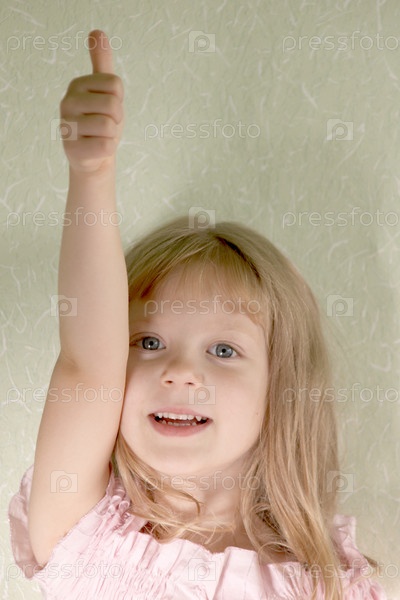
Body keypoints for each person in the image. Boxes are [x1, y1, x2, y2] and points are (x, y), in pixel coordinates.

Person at [8, 30, 387, 600]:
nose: (180, 372)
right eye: (148, 342)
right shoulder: (83, 532)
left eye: (224, 350)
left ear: (280, 386)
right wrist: (92, 175)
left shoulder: (327, 584)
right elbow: (89, 363)